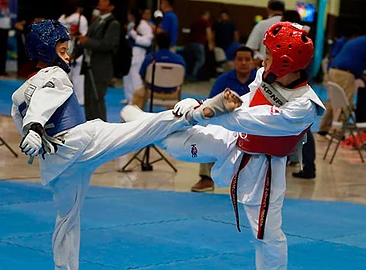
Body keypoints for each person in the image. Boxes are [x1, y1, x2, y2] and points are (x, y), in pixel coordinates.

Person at [122, 22, 325, 269]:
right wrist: (203, 104)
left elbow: (249, 120)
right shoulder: (265, 75)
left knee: (267, 236)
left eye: (269, 56)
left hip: (265, 167)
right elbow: (247, 103)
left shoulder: (303, 106)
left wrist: (202, 109)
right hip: (236, 140)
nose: (262, 61)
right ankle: (146, 123)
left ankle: (147, 123)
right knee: (177, 144)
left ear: (285, 62)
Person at [10, 19, 199, 270]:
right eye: (63, 51)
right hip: (82, 142)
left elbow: (29, 114)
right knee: (141, 130)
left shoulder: (19, 94)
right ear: (46, 50)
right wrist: (34, 126)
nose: (67, 57)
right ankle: (191, 113)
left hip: (57, 164)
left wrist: (32, 131)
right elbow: (43, 100)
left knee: (67, 219)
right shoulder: (54, 75)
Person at [192, 46, 257, 192]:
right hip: (226, 122)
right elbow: (211, 104)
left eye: (247, 59)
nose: (244, 63)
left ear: (253, 62)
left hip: (251, 123)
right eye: (240, 59)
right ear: (234, 62)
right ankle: (206, 178)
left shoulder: (259, 81)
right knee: (207, 133)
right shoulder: (223, 80)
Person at [318, 22, 366, 136]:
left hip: (333, 71)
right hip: (345, 75)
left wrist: (365, 79)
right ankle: (337, 131)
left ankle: (324, 128)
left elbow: (352, 64)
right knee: (345, 103)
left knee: (334, 101)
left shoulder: (354, 41)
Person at [75, 0, 120, 121]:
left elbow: (109, 44)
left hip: (101, 67)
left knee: (97, 98)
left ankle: (101, 127)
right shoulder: (96, 21)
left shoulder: (113, 23)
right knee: (89, 100)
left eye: (104, 1)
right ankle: (90, 125)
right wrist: (74, 54)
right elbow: (86, 40)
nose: (100, 2)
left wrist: (88, 42)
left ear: (111, 6)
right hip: (89, 66)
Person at [131, 32, 186, 109]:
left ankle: (135, 118)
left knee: (138, 93)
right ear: (170, 43)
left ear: (156, 43)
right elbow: (182, 77)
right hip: (172, 94)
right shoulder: (179, 60)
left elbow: (143, 76)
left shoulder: (150, 58)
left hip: (151, 92)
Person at [58, 5, 88, 105]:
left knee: (63, 75)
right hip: (75, 48)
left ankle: (62, 98)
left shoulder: (62, 18)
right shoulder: (80, 18)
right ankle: (80, 99)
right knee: (77, 77)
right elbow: (83, 36)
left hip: (63, 48)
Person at [122, 8, 153, 104]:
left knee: (135, 77)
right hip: (129, 52)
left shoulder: (144, 25)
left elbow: (148, 41)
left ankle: (137, 100)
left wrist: (135, 36)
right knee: (127, 75)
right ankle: (129, 98)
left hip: (138, 52)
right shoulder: (131, 24)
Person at [246, 0, 284, 65]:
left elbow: (250, 48)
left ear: (268, 9)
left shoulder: (262, 24)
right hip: (286, 67)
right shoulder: (291, 25)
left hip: (265, 65)